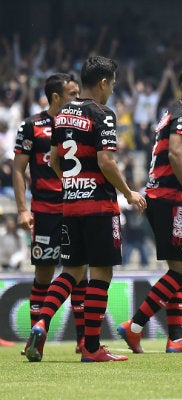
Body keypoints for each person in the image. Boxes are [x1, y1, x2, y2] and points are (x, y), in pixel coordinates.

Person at [25, 55, 147, 362]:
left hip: (69, 206)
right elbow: (106, 162)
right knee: (101, 273)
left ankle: (41, 321)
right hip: (99, 207)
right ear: (104, 83)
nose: (112, 90)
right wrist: (129, 192)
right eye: (113, 84)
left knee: (70, 271)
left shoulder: (63, 114)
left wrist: (71, 184)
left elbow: (53, 160)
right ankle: (91, 347)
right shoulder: (103, 113)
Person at [117, 61, 182, 354]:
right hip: (172, 197)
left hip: (163, 196)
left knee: (178, 268)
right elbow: (175, 153)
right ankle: (134, 327)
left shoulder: (172, 111)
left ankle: (176, 337)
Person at [13, 73, 87, 353]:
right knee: (44, 275)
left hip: (75, 207)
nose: (77, 99)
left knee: (80, 273)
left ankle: (83, 340)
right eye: (72, 94)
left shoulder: (79, 125)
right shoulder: (32, 126)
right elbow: (18, 170)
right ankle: (37, 341)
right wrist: (22, 209)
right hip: (45, 212)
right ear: (56, 97)